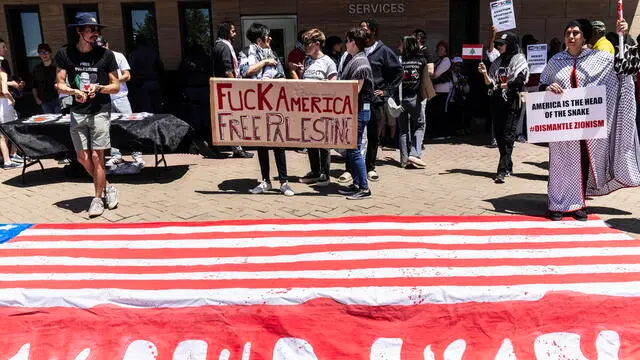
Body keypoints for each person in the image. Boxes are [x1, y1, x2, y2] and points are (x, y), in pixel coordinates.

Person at [540, 20, 640, 221]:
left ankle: (578, 204)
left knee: (583, 162)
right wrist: (547, 88)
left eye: (576, 33)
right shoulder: (555, 61)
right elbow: (542, 83)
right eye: (568, 32)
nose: (571, 36)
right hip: (561, 125)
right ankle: (556, 204)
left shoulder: (600, 59)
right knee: (559, 163)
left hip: (587, 124)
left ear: (584, 36)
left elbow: (625, 68)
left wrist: (624, 37)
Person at [55, 13, 120, 217]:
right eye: (90, 29)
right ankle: (107, 186)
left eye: (96, 30)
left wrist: (99, 88)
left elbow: (116, 86)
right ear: (79, 31)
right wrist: (75, 92)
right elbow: (60, 83)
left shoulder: (106, 55)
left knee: (97, 156)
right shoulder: (65, 54)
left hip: (100, 110)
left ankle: (97, 199)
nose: (95, 33)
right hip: (78, 111)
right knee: (82, 158)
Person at [238, 23, 294, 197]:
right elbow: (245, 71)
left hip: (275, 104)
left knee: (279, 143)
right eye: (267, 35)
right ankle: (265, 181)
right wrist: (265, 62)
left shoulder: (273, 54)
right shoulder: (246, 53)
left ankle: (284, 182)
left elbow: (282, 76)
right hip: (256, 105)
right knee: (262, 144)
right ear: (258, 38)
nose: (270, 38)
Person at [478, 32, 529, 184]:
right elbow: (490, 83)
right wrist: (484, 73)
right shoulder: (497, 61)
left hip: (512, 102)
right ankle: (508, 164)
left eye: (502, 44)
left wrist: (502, 85)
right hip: (497, 102)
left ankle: (501, 170)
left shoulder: (519, 59)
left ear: (511, 44)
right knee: (499, 135)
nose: (499, 46)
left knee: (508, 135)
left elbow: (519, 80)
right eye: (498, 44)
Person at [359, 19, 403, 182]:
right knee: (356, 135)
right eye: (360, 27)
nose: (362, 30)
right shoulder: (358, 49)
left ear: (373, 31)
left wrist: (386, 91)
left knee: (373, 135)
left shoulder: (383, 51)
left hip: (375, 102)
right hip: (358, 99)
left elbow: (398, 72)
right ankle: (352, 168)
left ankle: (370, 167)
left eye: (365, 28)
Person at [95, 36, 144, 167]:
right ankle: (116, 155)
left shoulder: (118, 56)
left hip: (121, 97)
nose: (101, 50)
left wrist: (115, 82)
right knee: (109, 128)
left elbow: (128, 75)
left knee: (130, 125)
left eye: (102, 46)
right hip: (104, 99)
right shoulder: (94, 59)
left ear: (107, 44)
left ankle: (137, 154)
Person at [338, 27, 374, 200]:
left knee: (354, 150)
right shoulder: (356, 59)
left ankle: (364, 188)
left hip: (358, 111)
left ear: (353, 42)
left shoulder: (360, 63)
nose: (345, 44)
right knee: (353, 149)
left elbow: (356, 91)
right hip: (356, 111)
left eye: (347, 41)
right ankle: (357, 184)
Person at [299, 29, 337, 186]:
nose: (304, 47)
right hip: (308, 108)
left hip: (323, 109)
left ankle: (325, 174)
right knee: (310, 141)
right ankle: (315, 171)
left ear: (317, 44)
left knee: (323, 142)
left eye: (307, 43)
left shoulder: (328, 62)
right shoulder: (307, 60)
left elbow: (334, 86)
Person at [211, 21, 253, 159]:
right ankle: (237, 149)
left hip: (223, 88)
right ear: (227, 32)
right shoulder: (224, 47)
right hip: (229, 89)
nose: (235, 34)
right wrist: (235, 87)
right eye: (233, 31)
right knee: (233, 119)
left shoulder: (219, 45)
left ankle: (232, 147)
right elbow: (228, 69)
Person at [397, 35, 428, 169]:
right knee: (420, 125)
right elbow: (425, 80)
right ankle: (414, 154)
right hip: (415, 98)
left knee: (403, 129)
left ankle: (404, 160)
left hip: (400, 98)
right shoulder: (422, 61)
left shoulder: (399, 60)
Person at [0, 38, 23, 168]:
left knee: (2, 133)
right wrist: (12, 99)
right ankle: (12, 156)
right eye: (3, 47)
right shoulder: (2, 72)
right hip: (4, 102)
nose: (6, 49)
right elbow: (4, 89)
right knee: (12, 128)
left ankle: (7, 160)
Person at [128, 34, 162, 113]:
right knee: (157, 108)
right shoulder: (153, 52)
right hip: (154, 82)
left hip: (142, 84)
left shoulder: (134, 54)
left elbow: (130, 69)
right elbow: (160, 66)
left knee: (146, 110)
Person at [430, 41, 453, 140]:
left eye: (442, 49)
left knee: (442, 111)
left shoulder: (446, 60)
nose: (440, 51)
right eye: (438, 49)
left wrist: (430, 75)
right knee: (437, 111)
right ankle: (441, 132)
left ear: (445, 51)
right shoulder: (438, 60)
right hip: (437, 90)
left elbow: (435, 73)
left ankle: (443, 133)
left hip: (445, 90)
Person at [32, 43, 60, 114]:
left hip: (57, 99)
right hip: (44, 101)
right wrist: (36, 99)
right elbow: (34, 86)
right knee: (49, 123)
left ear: (50, 53)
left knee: (60, 122)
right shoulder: (37, 69)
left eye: (46, 52)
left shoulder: (57, 66)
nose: (44, 55)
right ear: (39, 54)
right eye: (41, 53)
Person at [449, 57, 471, 136]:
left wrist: (464, 83)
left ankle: (465, 128)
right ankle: (456, 130)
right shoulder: (449, 75)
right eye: (456, 65)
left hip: (461, 98)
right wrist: (456, 83)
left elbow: (467, 90)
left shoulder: (462, 76)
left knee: (466, 112)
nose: (458, 67)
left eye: (460, 66)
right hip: (450, 99)